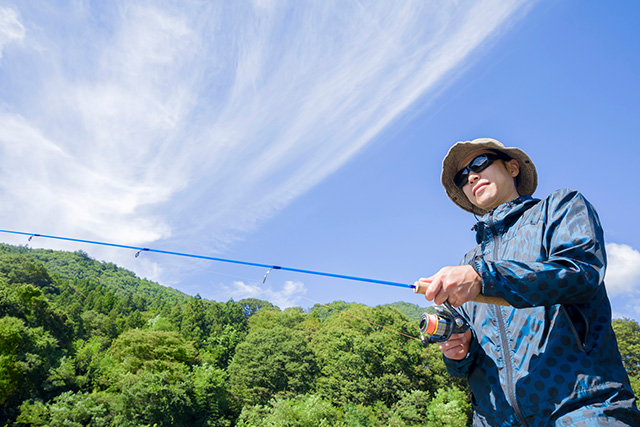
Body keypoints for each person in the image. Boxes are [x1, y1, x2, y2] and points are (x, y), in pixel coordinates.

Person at [419, 138, 640, 426]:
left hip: (582, 409)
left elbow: (581, 271)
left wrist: (484, 277)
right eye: (462, 177)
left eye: (479, 163)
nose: (471, 176)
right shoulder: (465, 266)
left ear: (512, 167)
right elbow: (465, 362)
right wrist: (458, 352)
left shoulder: (560, 208)